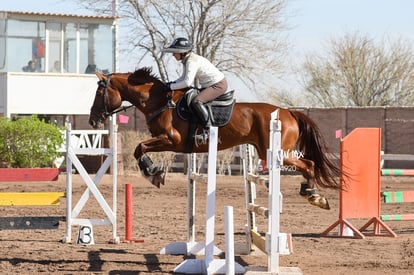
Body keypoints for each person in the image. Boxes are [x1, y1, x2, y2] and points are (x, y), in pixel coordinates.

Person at [162, 37, 228, 132]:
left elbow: (187, 82)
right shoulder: (187, 59)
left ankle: (209, 128)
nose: (173, 54)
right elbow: (182, 78)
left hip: (218, 85)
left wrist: (171, 86)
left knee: (197, 101)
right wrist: (171, 84)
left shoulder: (191, 61)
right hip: (209, 85)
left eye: (175, 52)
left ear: (182, 52)